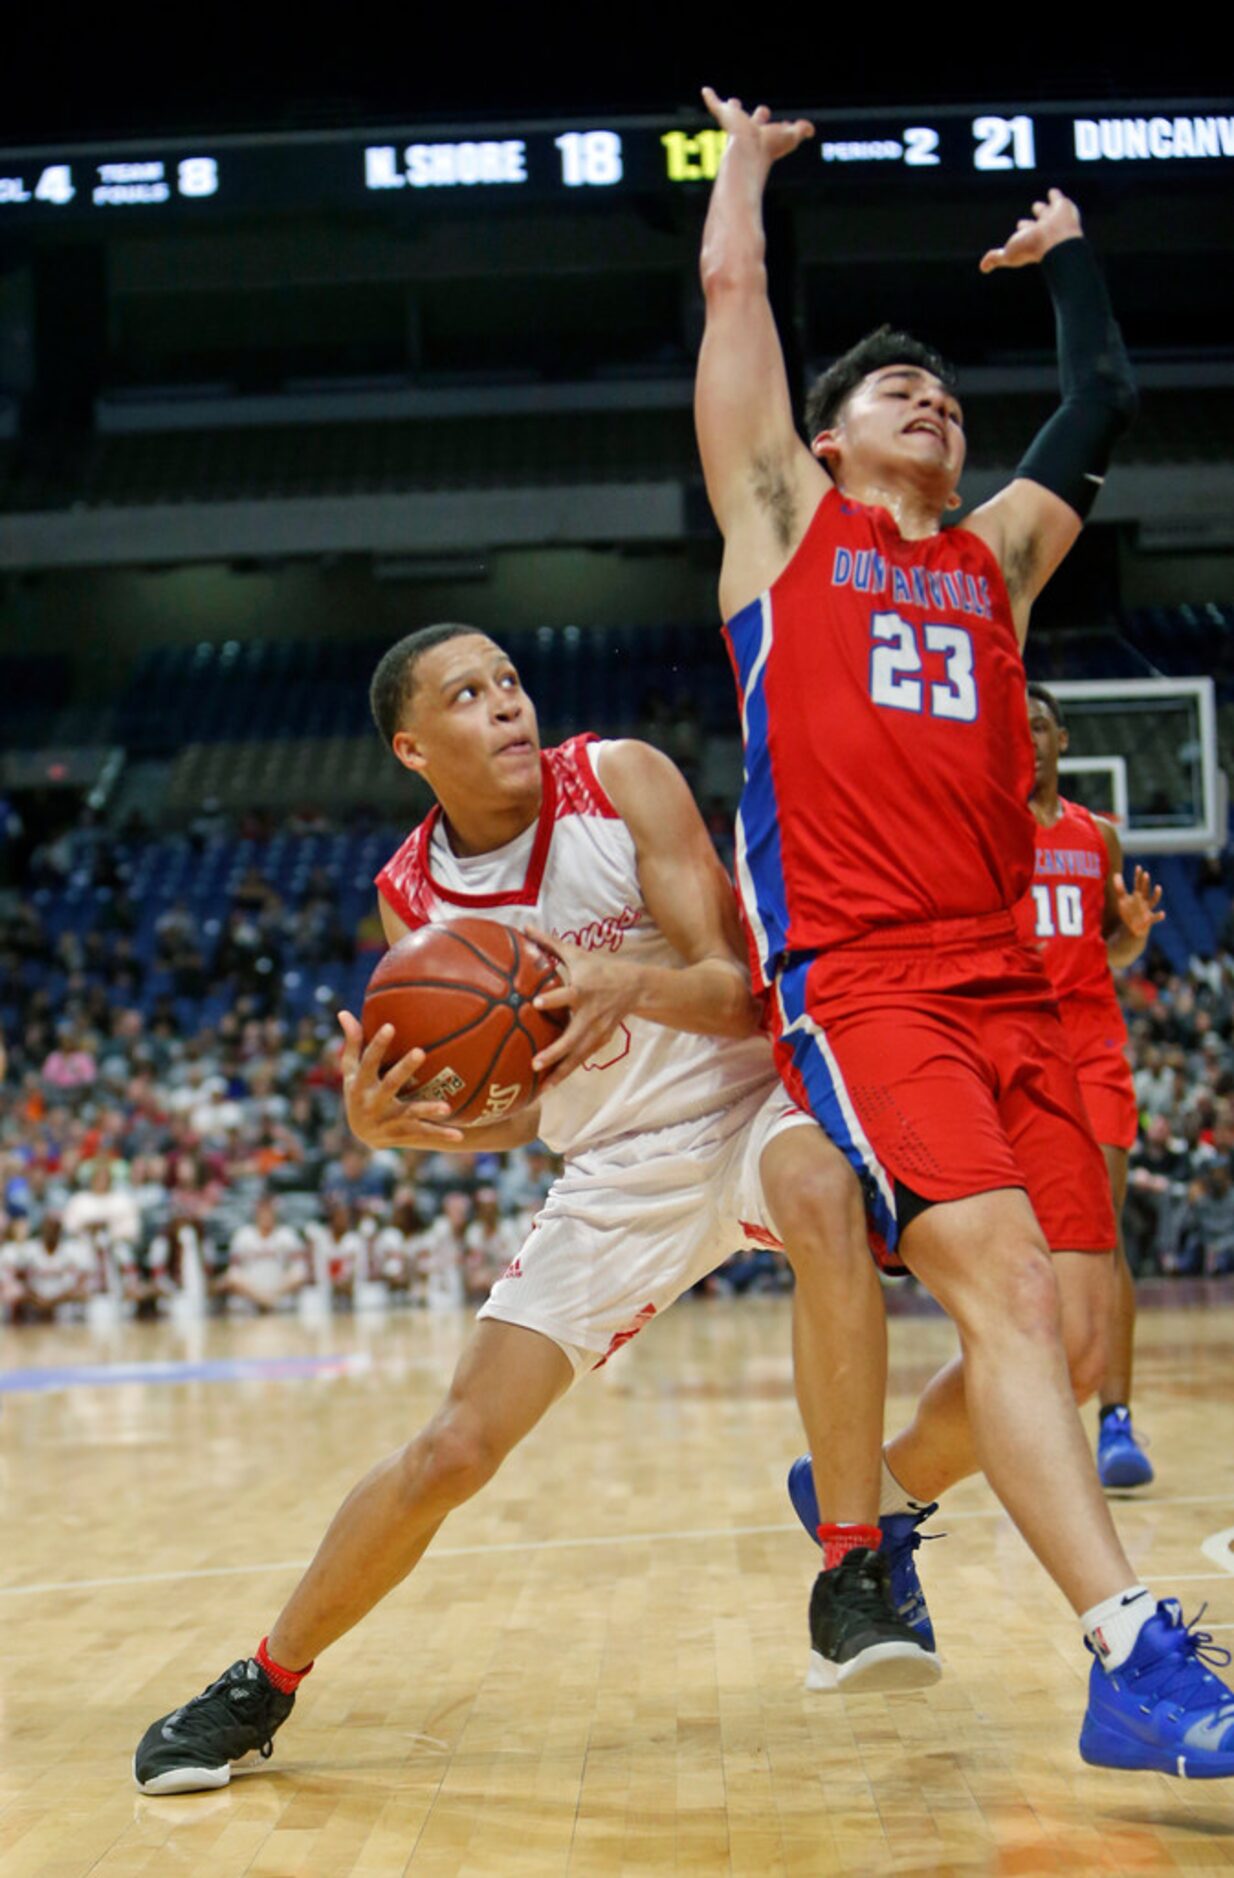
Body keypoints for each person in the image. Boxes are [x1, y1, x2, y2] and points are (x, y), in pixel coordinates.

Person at [132, 623, 922, 1797]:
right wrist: (405, 1125)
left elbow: (745, 994)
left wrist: (629, 983)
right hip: (612, 1167)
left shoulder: (620, 779)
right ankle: (264, 1680)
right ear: (412, 745)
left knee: (818, 1190)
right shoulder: (416, 897)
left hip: (757, 1101)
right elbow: (513, 1101)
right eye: (468, 693)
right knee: (454, 1446)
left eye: (509, 681)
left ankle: (853, 1566)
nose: (506, 704)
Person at [695, 87, 1234, 1776]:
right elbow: (731, 313)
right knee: (1004, 1283)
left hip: (1009, 986)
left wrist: (1070, 257)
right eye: (888, 389)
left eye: (940, 387)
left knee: (1067, 1343)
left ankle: (874, 1498)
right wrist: (738, 173)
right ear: (831, 439)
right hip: (863, 986)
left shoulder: (990, 566)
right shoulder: (786, 534)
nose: (926, 398)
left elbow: (1100, 399)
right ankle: (1127, 1656)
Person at [1025, 684, 1165, 1486]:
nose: (1029, 738)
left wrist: (1131, 936)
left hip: (1090, 1045)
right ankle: (1040, 1415)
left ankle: (1117, 1421)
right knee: (1029, 1248)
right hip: (1015, 1045)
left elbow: (1108, 949)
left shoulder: (1098, 838)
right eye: (1015, 727)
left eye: (1040, 725)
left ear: (1064, 740)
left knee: (1100, 1234)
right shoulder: (985, 826)